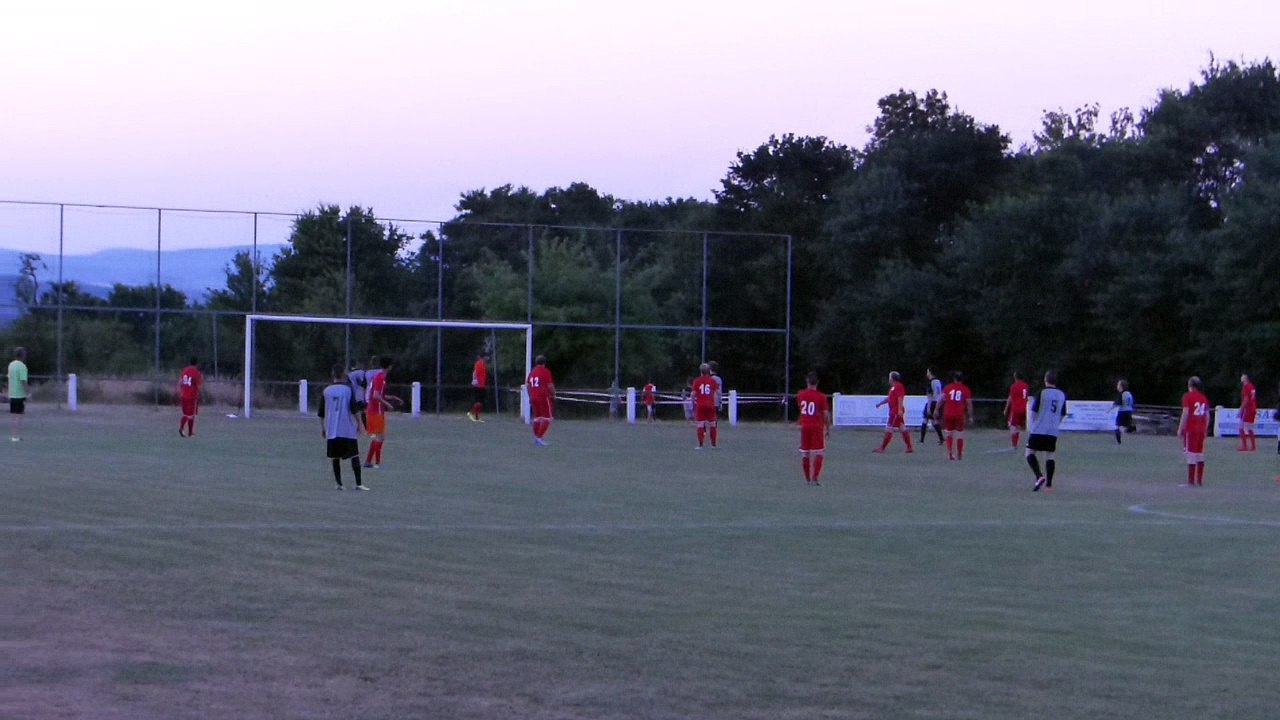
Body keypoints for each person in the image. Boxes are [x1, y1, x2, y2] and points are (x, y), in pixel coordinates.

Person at [319, 363, 366, 490]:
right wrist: (360, 424)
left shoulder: (326, 391)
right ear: (344, 374)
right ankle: (359, 484)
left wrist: (322, 428)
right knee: (354, 455)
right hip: (346, 429)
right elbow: (355, 409)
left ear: (332, 374)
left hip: (332, 429)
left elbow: (321, 412)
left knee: (335, 457)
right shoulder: (348, 390)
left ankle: (339, 484)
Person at [1026, 371, 1067, 492]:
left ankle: (1039, 476)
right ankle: (1049, 485)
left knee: (1029, 452)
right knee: (1050, 455)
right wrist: (1056, 423)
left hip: (1039, 428)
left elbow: (1034, 411)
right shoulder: (1061, 395)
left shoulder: (1042, 393)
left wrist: (1032, 425)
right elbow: (1063, 414)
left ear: (1045, 380)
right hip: (1052, 430)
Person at [363, 356, 402, 469]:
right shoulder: (380, 378)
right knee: (380, 437)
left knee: (378, 437)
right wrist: (388, 404)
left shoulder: (380, 377)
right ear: (389, 366)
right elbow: (376, 396)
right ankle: (376, 463)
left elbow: (379, 394)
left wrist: (392, 397)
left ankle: (369, 462)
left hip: (375, 410)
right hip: (375, 411)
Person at [796, 371, 832, 485]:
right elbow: (826, 414)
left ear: (807, 381)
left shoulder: (800, 394)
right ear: (817, 383)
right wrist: (828, 428)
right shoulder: (821, 396)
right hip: (817, 427)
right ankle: (815, 478)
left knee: (805, 452)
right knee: (819, 452)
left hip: (805, 426)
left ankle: (807, 480)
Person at [1177, 376, 1210, 487]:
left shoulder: (1187, 396)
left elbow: (1186, 412)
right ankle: (1199, 481)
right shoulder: (1203, 398)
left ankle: (1191, 481)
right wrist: (1205, 429)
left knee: (1191, 454)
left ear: (1190, 385)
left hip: (1191, 429)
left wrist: (1180, 428)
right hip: (1201, 429)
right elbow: (1207, 415)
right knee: (1199, 453)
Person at [934, 370, 973, 460]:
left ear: (954, 379)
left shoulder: (948, 387)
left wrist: (936, 409)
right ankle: (959, 454)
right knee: (960, 434)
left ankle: (950, 453)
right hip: (959, 414)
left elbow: (941, 399)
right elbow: (969, 403)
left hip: (948, 413)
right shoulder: (965, 389)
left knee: (949, 433)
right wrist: (970, 416)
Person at [873, 371, 913, 453]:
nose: (889, 379)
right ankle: (909, 447)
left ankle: (882, 448)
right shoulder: (893, 388)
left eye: (890, 377)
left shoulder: (898, 386)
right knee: (902, 427)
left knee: (889, 428)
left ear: (892, 378)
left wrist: (899, 409)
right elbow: (889, 398)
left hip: (895, 411)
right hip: (895, 411)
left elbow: (900, 397)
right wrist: (880, 403)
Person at [526, 355, 556, 446]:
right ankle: (539, 438)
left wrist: (530, 396)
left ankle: (536, 437)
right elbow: (550, 385)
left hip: (533, 397)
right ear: (544, 363)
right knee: (547, 418)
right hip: (543, 397)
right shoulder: (545, 371)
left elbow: (528, 385)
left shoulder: (532, 372)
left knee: (537, 418)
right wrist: (553, 393)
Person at [691, 362, 720, 449]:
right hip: (710, 404)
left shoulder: (697, 381)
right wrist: (720, 401)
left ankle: (700, 445)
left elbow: (693, 394)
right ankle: (713, 445)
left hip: (700, 405)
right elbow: (718, 392)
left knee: (700, 424)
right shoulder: (712, 381)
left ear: (700, 371)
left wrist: (693, 403)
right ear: (709, 371)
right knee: (712, 424)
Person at [177, 356, 203, 438]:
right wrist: (200, 394)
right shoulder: (196, 373)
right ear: (197, 364)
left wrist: (181, 391)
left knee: (186, 414)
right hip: (191, 396)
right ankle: (184, 429)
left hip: (183, 395)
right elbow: (199, 386)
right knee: (191, 415)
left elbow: (180, 382)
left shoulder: (184, 370)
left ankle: (190, 433)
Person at [1003, 371, 1029, 449]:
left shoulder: (1013, 386)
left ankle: (1014, 445)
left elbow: (1010, 397)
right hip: (1023, 409)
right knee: (1018, 426)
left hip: (1015, 409)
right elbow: (1026, 397)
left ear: (1015, 377)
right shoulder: (1026, 386)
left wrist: (1006, 409)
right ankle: (1015, 444)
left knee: (1012, 426)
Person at [8, 346, 29, 442]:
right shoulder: (22, 366)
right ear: (22, 355)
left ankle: (13, 435)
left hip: (12, 394)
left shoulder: (11, 365)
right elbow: (23, 381)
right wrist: (28, 393)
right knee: (19, 415)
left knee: (13, 416)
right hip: (19, 395)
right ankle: (16, 436)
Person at [920, 368, 944, 445]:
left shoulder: (930, 382)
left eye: (927, 372)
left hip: (932, 402)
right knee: (934, 421)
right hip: (938, 402)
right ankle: (941, 439)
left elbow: (930, 396)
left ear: (930, 373)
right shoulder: (939, 382)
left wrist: (928, 407)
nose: (927, 373)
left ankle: (922, 440)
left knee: (925, 420)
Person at [1238, 373, 1257, 452]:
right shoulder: (1252, 386)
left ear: (1245, 378)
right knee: (1249, 428)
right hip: (1253, 408)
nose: (1241, 377)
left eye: (1242, 376)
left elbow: (1246, 399)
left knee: (1240, 427)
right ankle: (1253, 446)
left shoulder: (1245, 386)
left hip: (1247, 409)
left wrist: (1241, 408)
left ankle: (1244, 446)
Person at [1112, 379, 1135, 444]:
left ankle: (1118, 442)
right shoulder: (1129, 394)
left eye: (1118, 384)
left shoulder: (1121, 394)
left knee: (1118, 427)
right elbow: (1132, 402)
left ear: (1121, 386)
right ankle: (1133, 428)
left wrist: (1112, 407)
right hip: (1129, 411)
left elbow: (1118, 403)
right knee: (1125, 426)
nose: (1117, 386)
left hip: (1122, 412)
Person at [467, 353, 488, 423]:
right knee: (478, 402)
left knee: (480, 402)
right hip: (478, 385)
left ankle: (477, 417)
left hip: (482, 385)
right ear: (482, 357)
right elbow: (475, 373)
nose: (486, 359)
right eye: (485, 357)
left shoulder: (482, 364)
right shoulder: (478, 364)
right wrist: (474, 381)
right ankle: (470, 413)